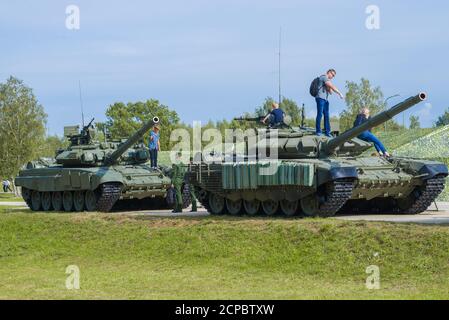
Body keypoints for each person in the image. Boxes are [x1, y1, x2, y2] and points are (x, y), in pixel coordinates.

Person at [315, 69, 344, 137]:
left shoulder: (328, 80)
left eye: (333, 76)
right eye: (332, 74)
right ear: (328, 72)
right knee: (320, 114)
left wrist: (329, 86)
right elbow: (333, 87)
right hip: (320, 98)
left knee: (327, 115)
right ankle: (318, 131)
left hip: (325, 99)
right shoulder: (323, 77)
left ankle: (327, 131)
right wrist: (340, 93)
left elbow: (330, 92)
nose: (332, 76)